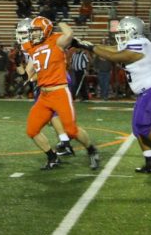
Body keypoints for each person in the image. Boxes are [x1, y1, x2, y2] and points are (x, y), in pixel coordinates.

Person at [78, 17, 151, 174]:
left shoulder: (142, 43)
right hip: (146, 91)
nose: (121, 36)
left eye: (123, 32)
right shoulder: (132, 43)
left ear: (133, 31)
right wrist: (88, 45)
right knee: (138, 128)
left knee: (143, 126)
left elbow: (115, 56)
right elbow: (113, 49)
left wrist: (90, 47)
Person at [21, 16, 101, 170]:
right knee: (32, 130)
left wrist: (59, 22)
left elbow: (69, 34)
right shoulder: (32, 47)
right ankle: (52, 157)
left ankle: (91, 149)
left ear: (46, 30)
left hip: (59, 92)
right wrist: (22, 73)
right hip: (44, 95)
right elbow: (28, 72)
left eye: (37, 31)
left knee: (71, 130)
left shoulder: (56, 40)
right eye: (32, 31)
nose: (33, 34)